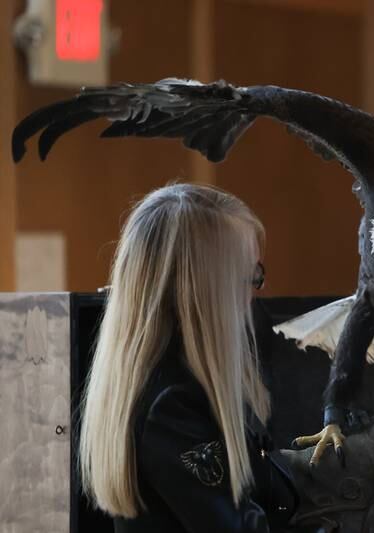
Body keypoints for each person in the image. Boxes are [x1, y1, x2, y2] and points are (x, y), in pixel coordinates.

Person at [79, 183, 297, 532]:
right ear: (205, 289)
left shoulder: (178, 384)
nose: (252, 294)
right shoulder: (173, 404)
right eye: (247, 276)